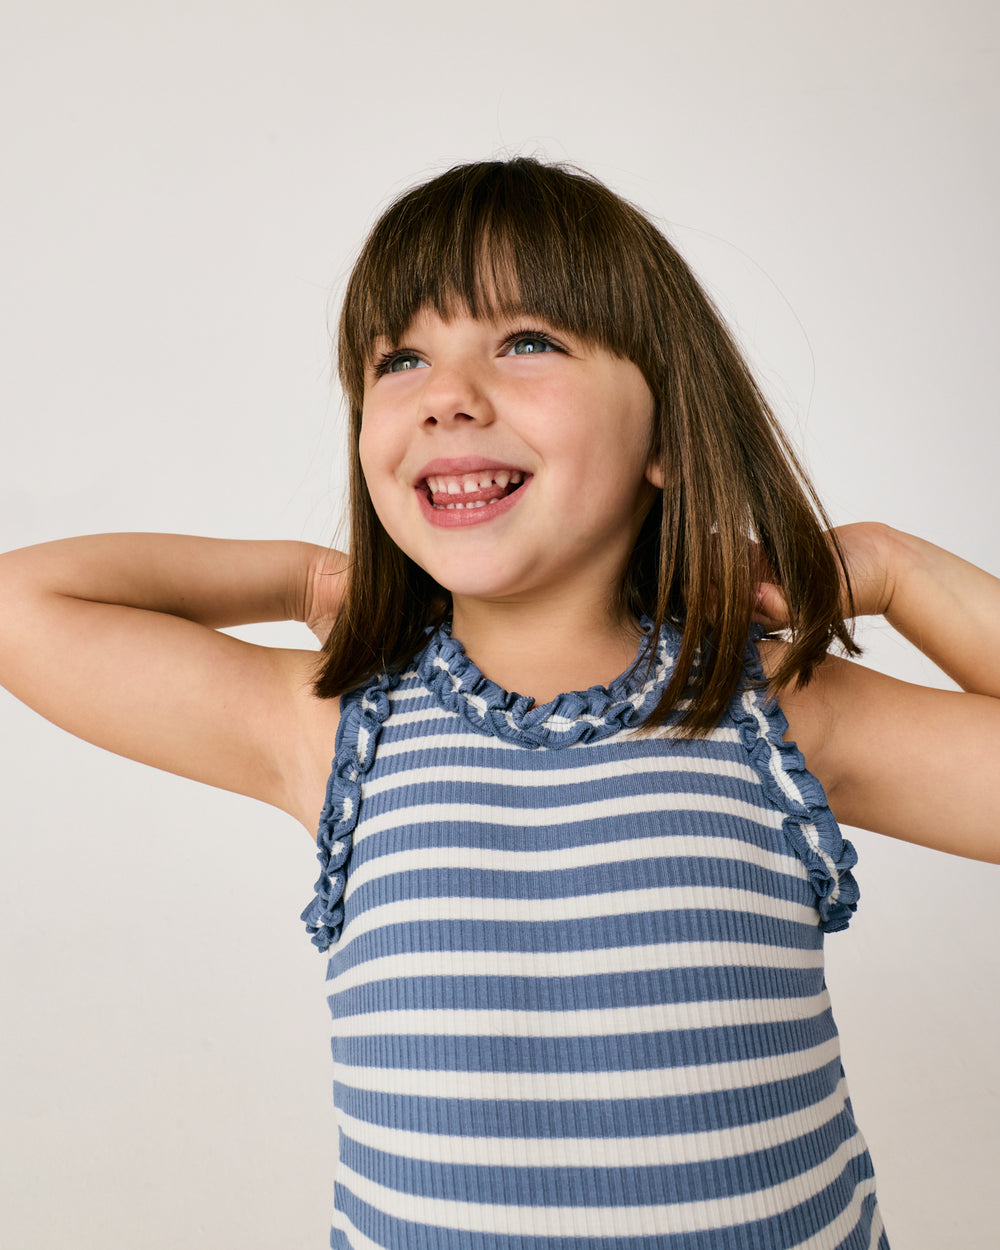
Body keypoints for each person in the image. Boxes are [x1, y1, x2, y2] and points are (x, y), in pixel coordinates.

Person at [1, 156, 997, 1249]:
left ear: (666, 432)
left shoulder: (769, 710)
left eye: (526, 341)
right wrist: (299, 578)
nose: (447, 393)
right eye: (402, 357)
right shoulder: (339, 727)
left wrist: (903, 569)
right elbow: (23, 603)